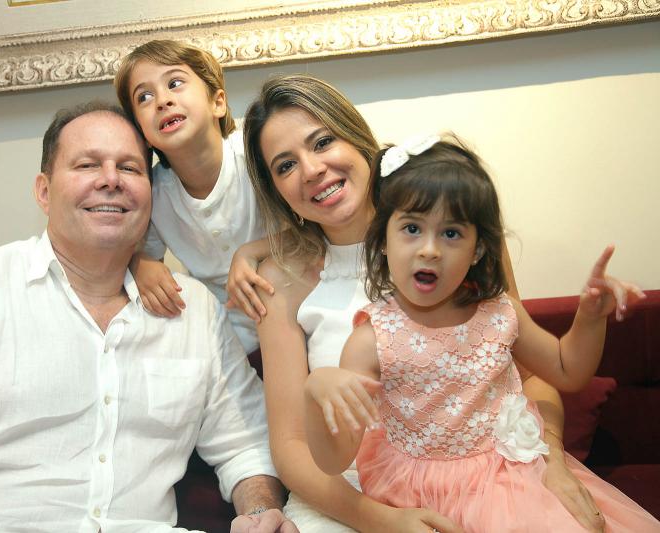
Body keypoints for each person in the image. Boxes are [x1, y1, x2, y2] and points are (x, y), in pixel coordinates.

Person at [0, 102, 296, 533]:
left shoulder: (194, 309)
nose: (110, 180)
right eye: (87, 165)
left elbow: (247, 445)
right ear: (44, 191)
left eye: (129, 168)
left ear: (150, 195)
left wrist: (259, 513)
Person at [238, 74, 617, 532]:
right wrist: (383, 520)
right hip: (348, 494)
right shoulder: (279, 282)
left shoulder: (461, 245)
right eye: (285, 165)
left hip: (496, 480)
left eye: (322, 142)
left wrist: (549, 460)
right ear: (277, 190)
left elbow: (535, 376)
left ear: (358, 141)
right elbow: (291, 445)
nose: (312, 169)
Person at [303, 135, 659, 532]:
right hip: (422, 494)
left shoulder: (500, 312)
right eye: (412, 228)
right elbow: (333, 461)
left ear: (477, 250)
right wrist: (316, 391)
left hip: (513, 479)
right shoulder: (371, 340)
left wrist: (590, 317)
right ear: (383, 240)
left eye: (451, 233)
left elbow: (567, 370)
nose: (429, 250)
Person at [113, 40, 271, 355]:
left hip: (294, 302)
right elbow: (137, 251)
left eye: (175, 83)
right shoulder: (153, 194)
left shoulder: (256, 154)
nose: (162, 101)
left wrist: (252, 251)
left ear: (218, 102)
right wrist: (141, 264)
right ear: (142, 132)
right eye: (144, 97)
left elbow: (314, 232)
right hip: (225, 334)